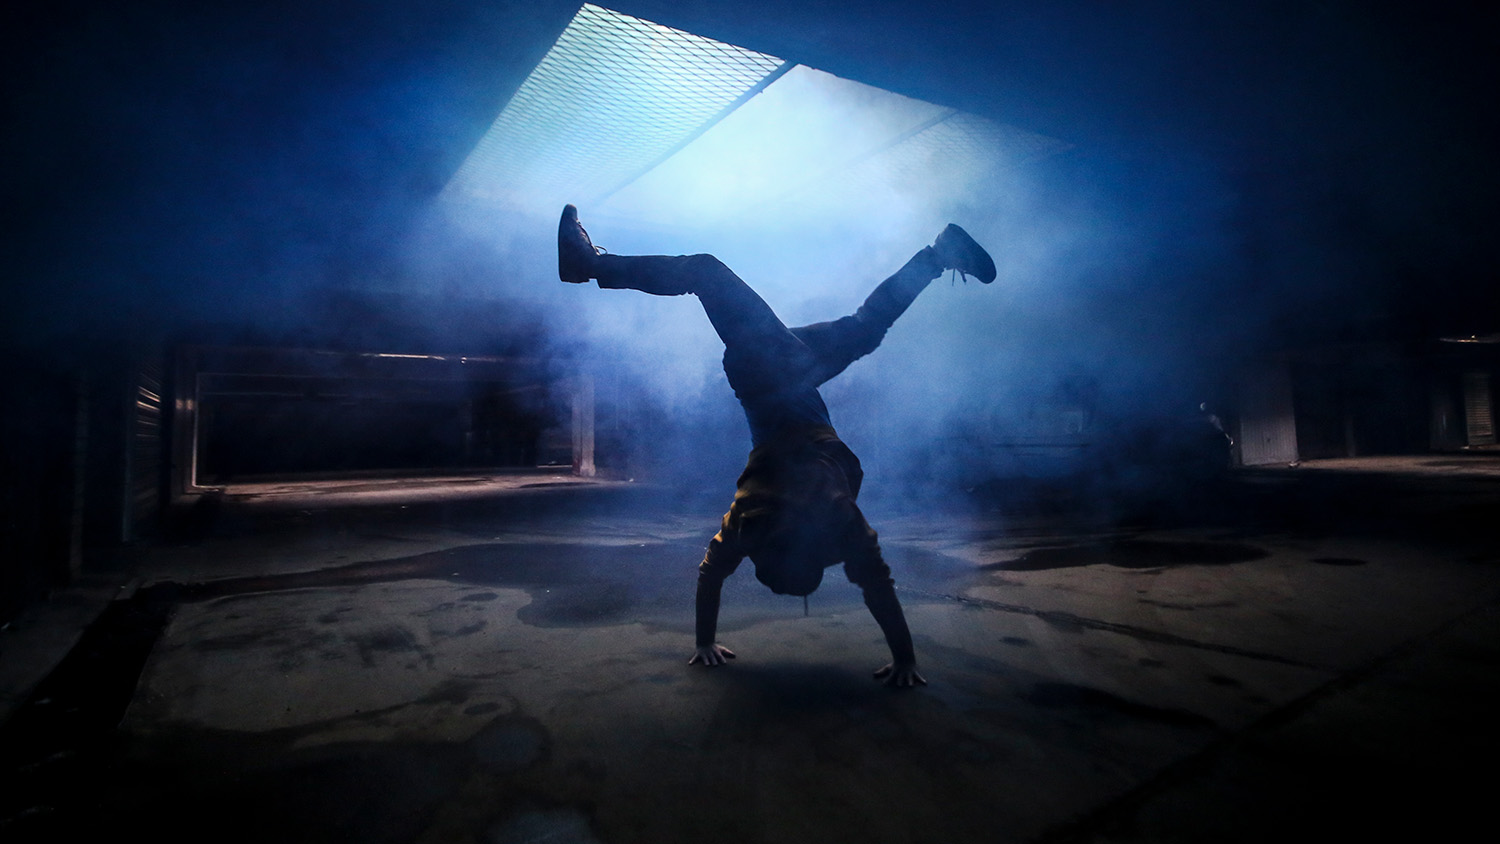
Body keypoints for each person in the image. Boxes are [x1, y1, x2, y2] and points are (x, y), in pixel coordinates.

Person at [557, 205, 996, 688]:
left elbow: (879, 589)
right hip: (786, 376)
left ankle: (590, 265)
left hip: (773, 374)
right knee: (864, 329)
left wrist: (906, 658)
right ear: (771, 557)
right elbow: (712, 576)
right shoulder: (754, 525)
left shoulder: (829, 525)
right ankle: (937, 256)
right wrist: (703, 640)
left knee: (707, 271)